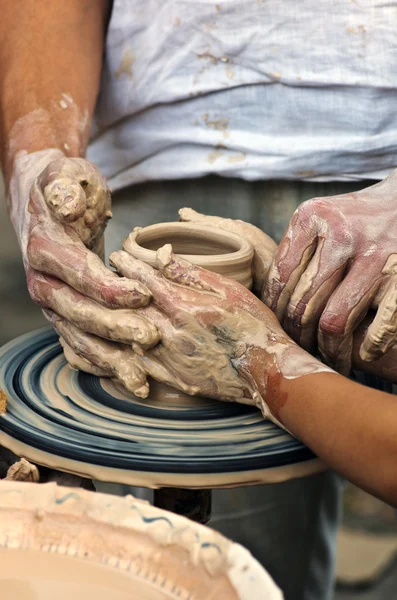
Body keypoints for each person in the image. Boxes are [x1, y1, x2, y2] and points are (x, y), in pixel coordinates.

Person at [1, 2, 397, 599]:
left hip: (383, 177)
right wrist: (36, 157)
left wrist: (259, 363)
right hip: (165, 150)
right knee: (190, 574)